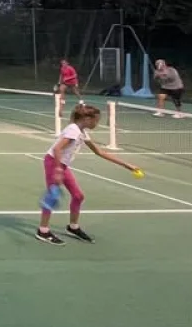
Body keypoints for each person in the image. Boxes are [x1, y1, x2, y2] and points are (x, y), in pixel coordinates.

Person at [36, 103, 142, 245]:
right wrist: (58, 170)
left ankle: (73, 227)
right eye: (96, 120)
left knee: (78, 196)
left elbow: (99, 152)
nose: (96, 123)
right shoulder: (73, 130)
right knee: (52, 196)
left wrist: (127, 165)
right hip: (53, 162)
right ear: (86, 119)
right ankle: (43, 231)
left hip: (62, 164)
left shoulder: (82, 132)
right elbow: (57, 149)